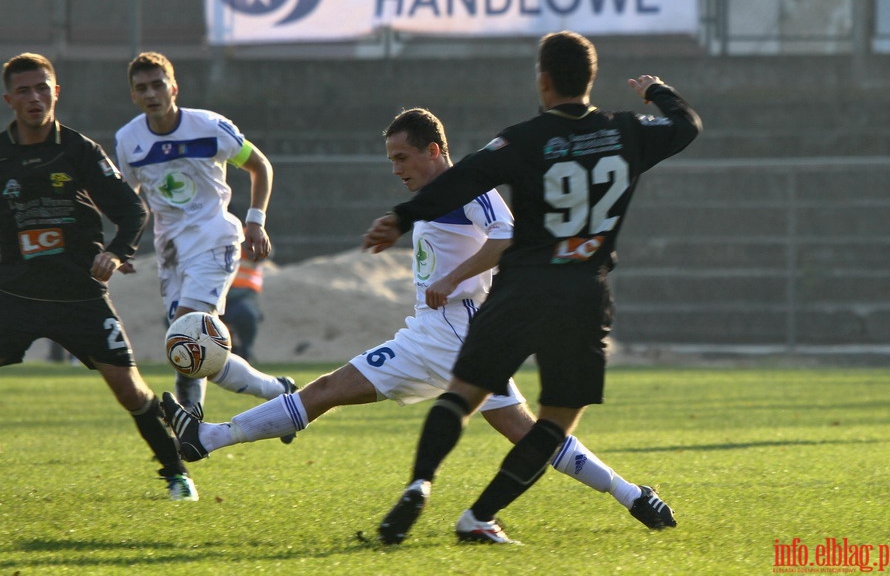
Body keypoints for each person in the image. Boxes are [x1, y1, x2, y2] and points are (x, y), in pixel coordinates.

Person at [159, 107, 675, 536]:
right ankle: (206, 439)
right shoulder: (440, 196)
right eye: (391, 159)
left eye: (401, 157)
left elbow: (508, 236)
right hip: (430, 332)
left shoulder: (471, 188)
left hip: (459, 332)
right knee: (327, 391)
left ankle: (628, 495)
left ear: (433, 151)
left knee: (525, 432)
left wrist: (455, 279)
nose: (395, 168)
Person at [364, 32, 702, 544]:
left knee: (460, 397)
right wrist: (656, 91)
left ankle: (421, 482)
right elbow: (687, 125)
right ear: (589, 79)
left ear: (543, 82)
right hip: (584, 292)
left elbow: (464, 178)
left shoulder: (524, 138)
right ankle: (479, 515)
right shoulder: (626, 132)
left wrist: (402, 217)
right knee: (554, 424)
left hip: (521, 289)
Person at [0, 53, 199, 501]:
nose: (35, 97)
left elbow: (132, 210)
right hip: (12, 294)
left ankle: (176, 473)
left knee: (129, 390)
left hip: (78, 295)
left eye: (42, 88)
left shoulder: (79, 150)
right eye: (25, 90)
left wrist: (114, 252)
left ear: (56, 92)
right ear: (9, 99)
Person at [113, 51, 295, 428]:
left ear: (173, 88)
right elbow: (128, 199)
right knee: (199, 356)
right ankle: (280, 392)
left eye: (158, 84)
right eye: (141, 88)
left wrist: (255, 222)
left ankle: (190, 419)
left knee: (186, 331)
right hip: (171, 253)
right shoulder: (128, 140)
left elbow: (259, 164)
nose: (151, 93)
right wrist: (123, 245)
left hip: (215, 238)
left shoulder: (210, 127)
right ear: (133, 95)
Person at [221, 234, 265, 363]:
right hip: (212, 294)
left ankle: (245, 353)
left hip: (241, 295)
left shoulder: (248, 233)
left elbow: (262, 254)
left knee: (246, 315)